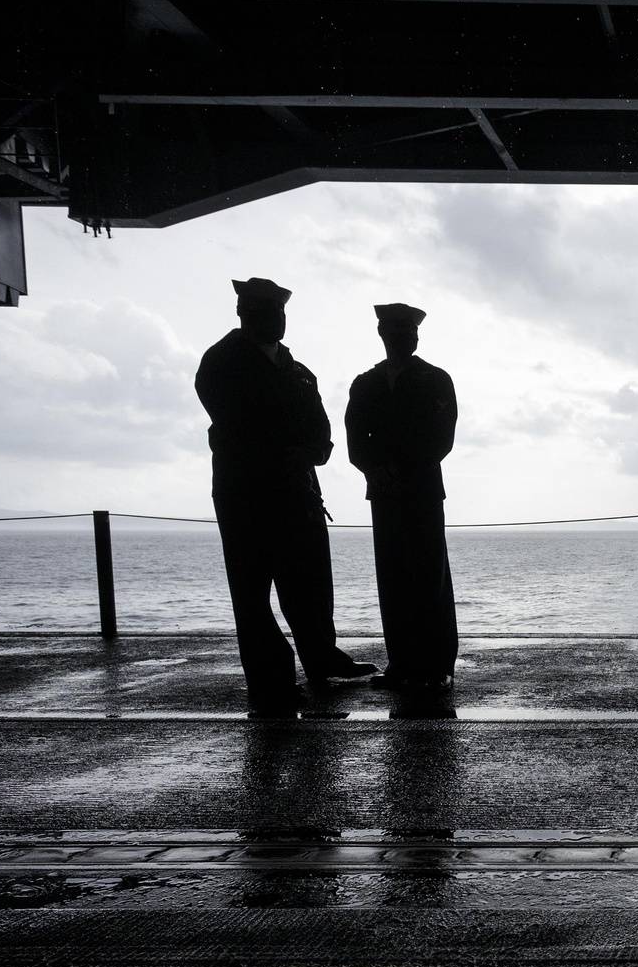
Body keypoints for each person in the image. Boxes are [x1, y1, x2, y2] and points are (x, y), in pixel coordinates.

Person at [195, 277, 377, 716]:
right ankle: (271, 676)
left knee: (310, 583)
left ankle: (321, 659)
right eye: (266, 312)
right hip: (247, 494)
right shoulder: (221, 362)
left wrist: (311, 451)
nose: (276, 320)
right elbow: (234, 422)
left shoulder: (298, 370)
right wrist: (287, 449)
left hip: (298, 491)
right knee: (252, 591)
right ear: (243, 314)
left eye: (280, 313)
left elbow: (321, 430)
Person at [345, 303, 459, 692]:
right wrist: (375, 470)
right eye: (397, 332)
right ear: (382, 334)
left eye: (410, 332)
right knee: (392, 577)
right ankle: (401, 661)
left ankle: (439, 663)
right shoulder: (366, 383)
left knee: (431, 577)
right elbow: (355, 438)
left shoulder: (436, 379)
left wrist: (401, 467)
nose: (405, 339)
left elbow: (442, 438)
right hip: (384, 491)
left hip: (422, 488)